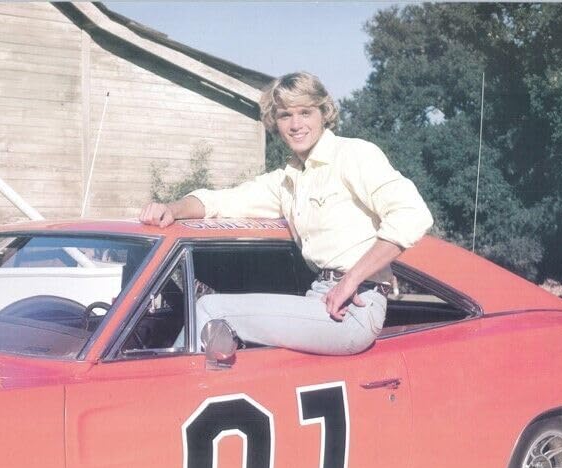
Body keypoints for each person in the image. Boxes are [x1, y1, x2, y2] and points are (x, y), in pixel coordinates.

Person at [140, 72, 433, 355]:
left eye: (305, 112)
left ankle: (154, 396)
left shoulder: (353, 155)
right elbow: (222, 201)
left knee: (208, 309)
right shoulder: (288, 180)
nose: (296, 124)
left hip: (355, 306)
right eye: (284, 115)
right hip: (319, 298)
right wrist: (172, 209)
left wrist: (352, 279)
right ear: (274, 122)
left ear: (324, 113)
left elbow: (413, 215)